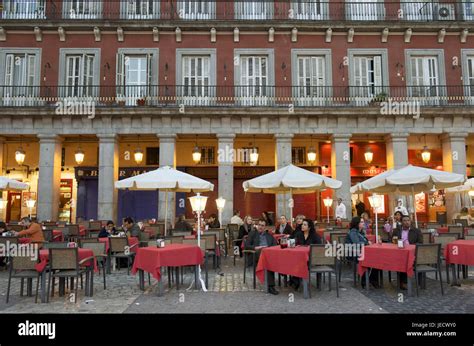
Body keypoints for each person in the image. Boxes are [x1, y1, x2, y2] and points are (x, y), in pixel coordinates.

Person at [245, 218, 279, 295]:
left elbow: (275, 245)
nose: (260, 227)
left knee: (270, 259)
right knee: (267, 260)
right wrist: (255, 247)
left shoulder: (269, 235)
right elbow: (246, 246)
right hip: (256, 254)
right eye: (259, 225)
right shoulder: (252, 234)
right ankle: (271, 286)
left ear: (265, 227)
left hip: (268, 254)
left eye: (262, 225)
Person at [345, 216, 380, 288]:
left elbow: (363, 241)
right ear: (357, 223)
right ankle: (366, 281)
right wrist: (367, 243)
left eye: (363, 221)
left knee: (377, 258)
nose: (363, 223)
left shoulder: (360, 232)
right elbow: (357, 243)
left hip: (361, 252)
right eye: (361, 222)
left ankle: (372, 280)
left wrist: (367, 242)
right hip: (353, 253)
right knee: (371, 259)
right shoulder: (353, 232)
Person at [391, 215, 423, 289]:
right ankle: (403, 282)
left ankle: (406, 282)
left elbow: (420, 242)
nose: (407, 222)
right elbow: (392, 241)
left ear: (410, 221)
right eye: (404, 221)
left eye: (408, 220)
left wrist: (410, 246)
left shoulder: (416, 230)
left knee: (406, 260)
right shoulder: (396, 230)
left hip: (413, 252)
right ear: (401, 222)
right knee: (402, 260)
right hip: (399, 252)